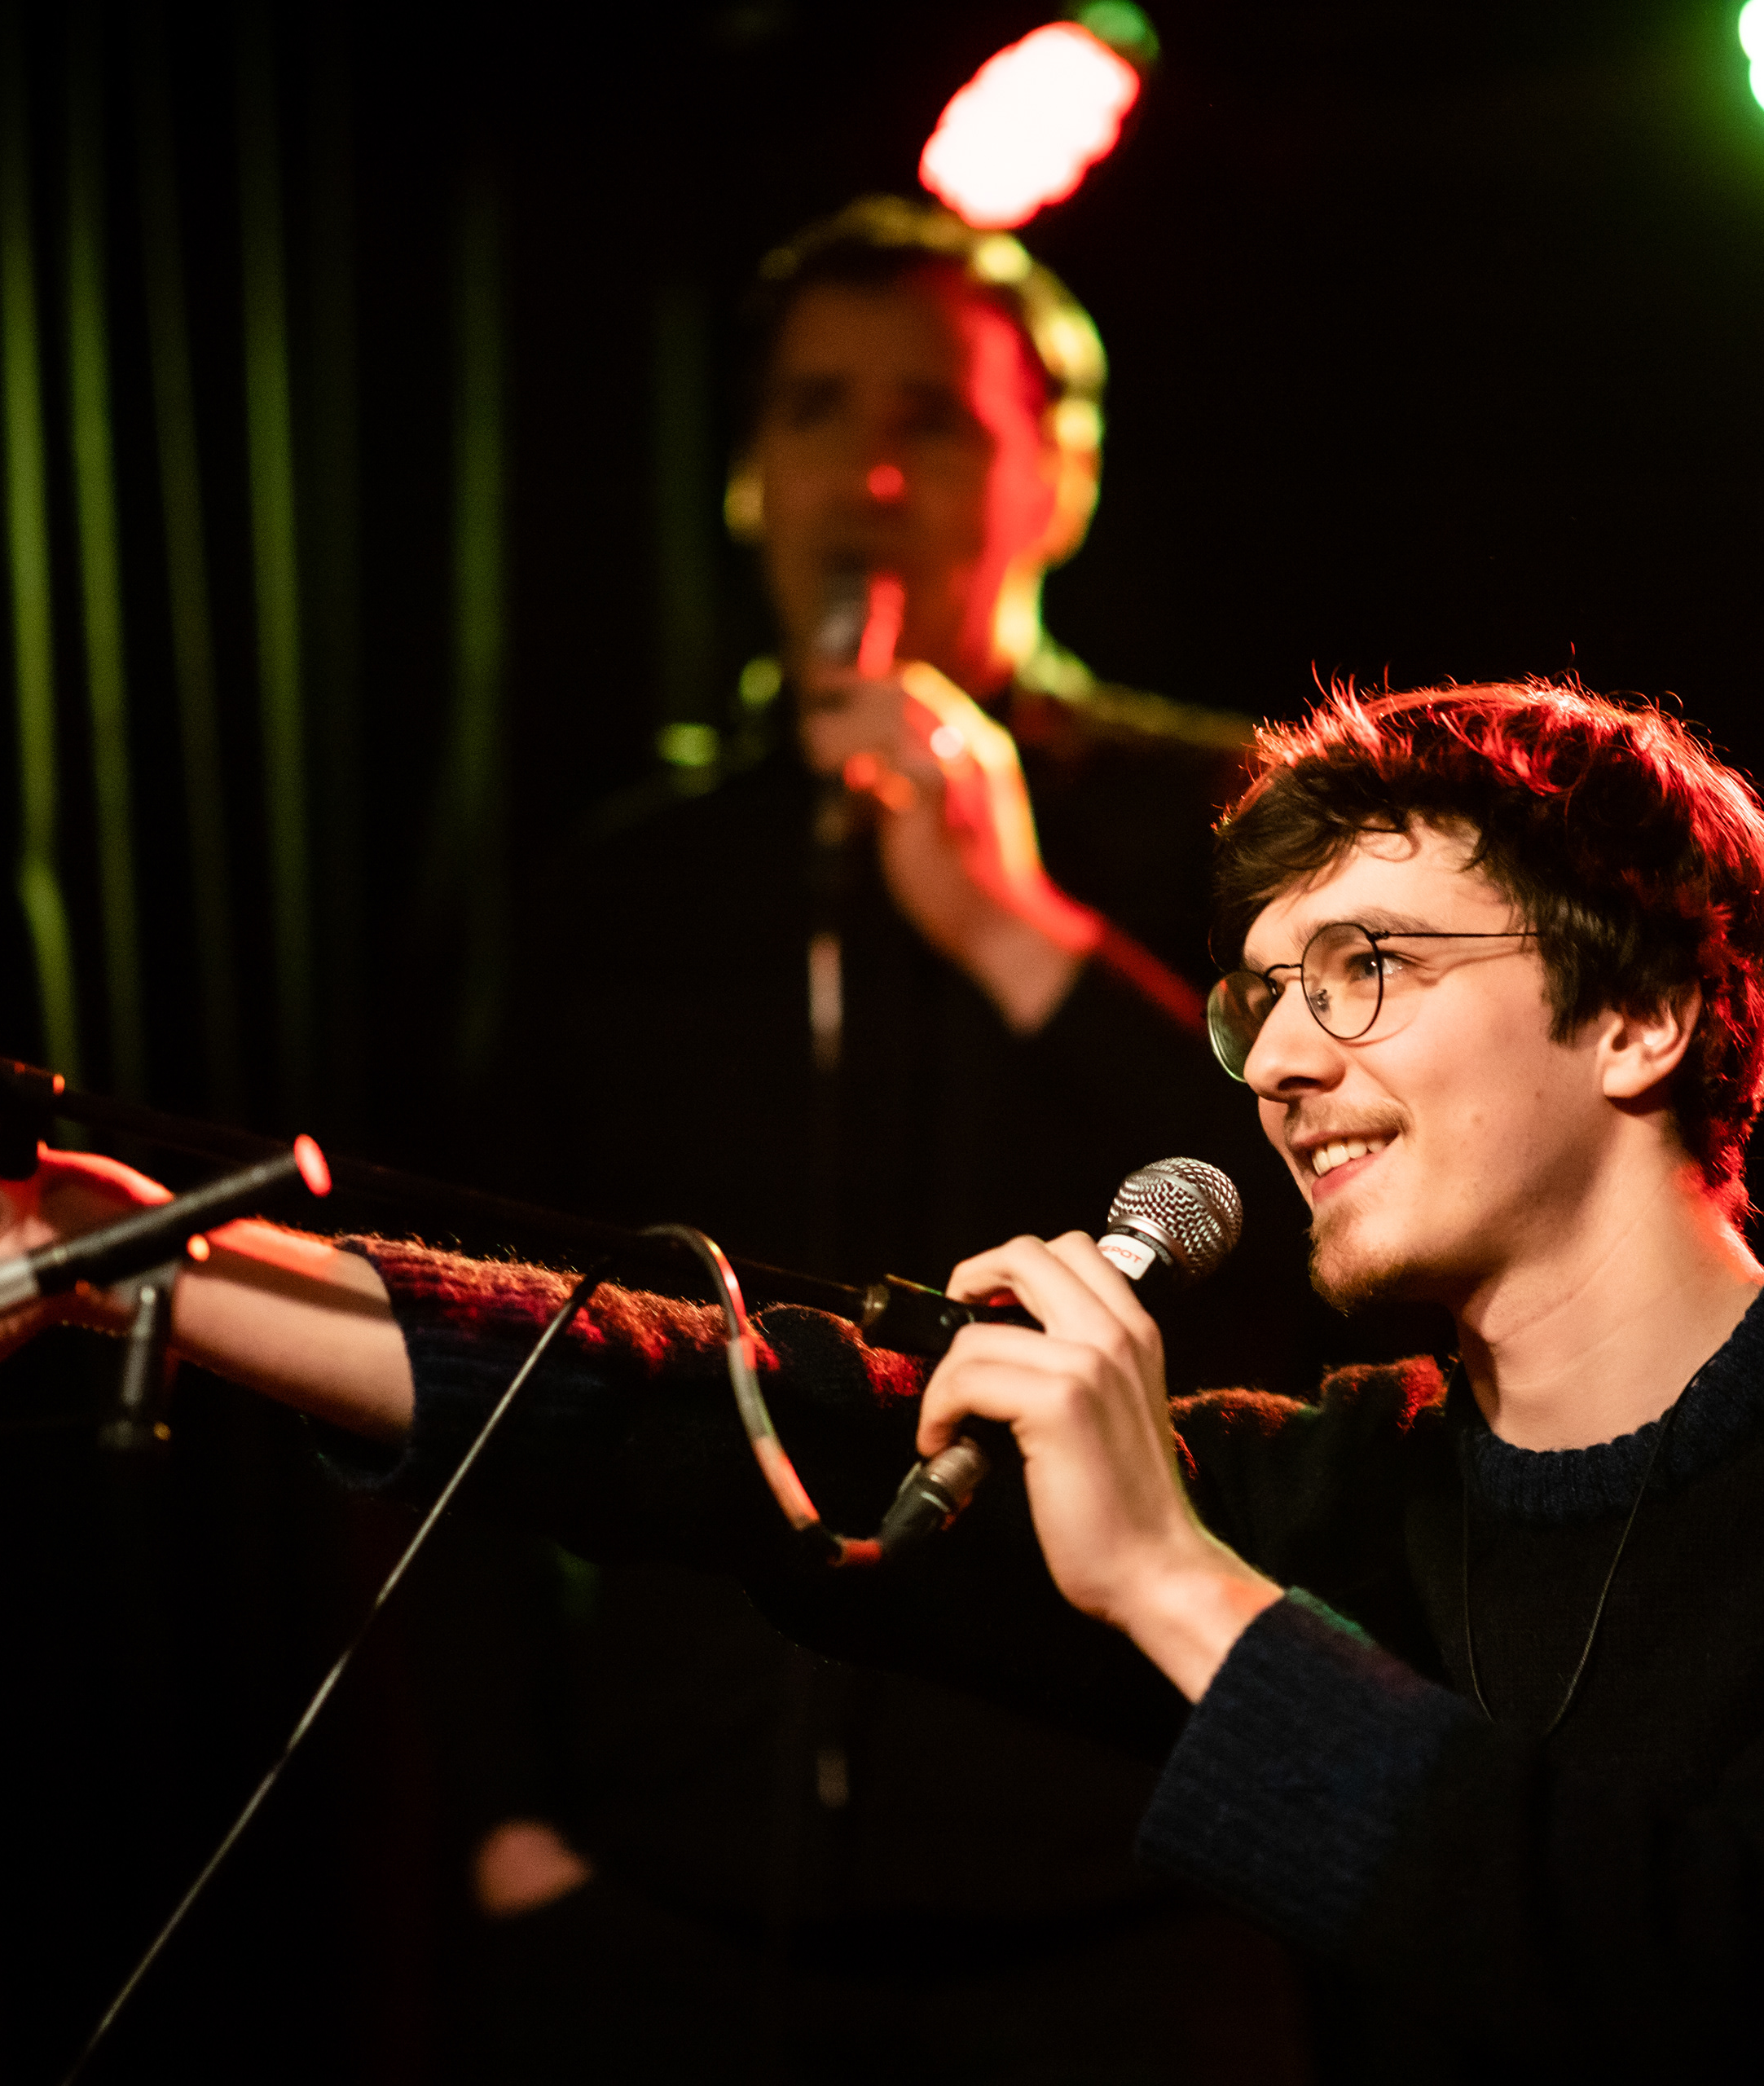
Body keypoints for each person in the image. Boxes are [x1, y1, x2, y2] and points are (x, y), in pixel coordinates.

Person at [0, 680, 1764, 2078]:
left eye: (1372, 970)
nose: (1285, 1062)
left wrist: (1180, 1597)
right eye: (1262, 995)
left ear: (1639, 1012)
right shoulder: (1356, 1492)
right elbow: (708, 1418)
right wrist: (107, 1257)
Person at [443, 196, 1315, 2076]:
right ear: (751, 476)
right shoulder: (634, 886)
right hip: (679, 1893)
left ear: (1061, 482)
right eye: (815, 409)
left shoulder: (1233, 828)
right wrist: (507, 1817)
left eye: (940, 413)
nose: (876, 466)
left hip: (1120, 1898)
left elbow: (1334, 1232)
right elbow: (493, 1331)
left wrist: (1020, 932)